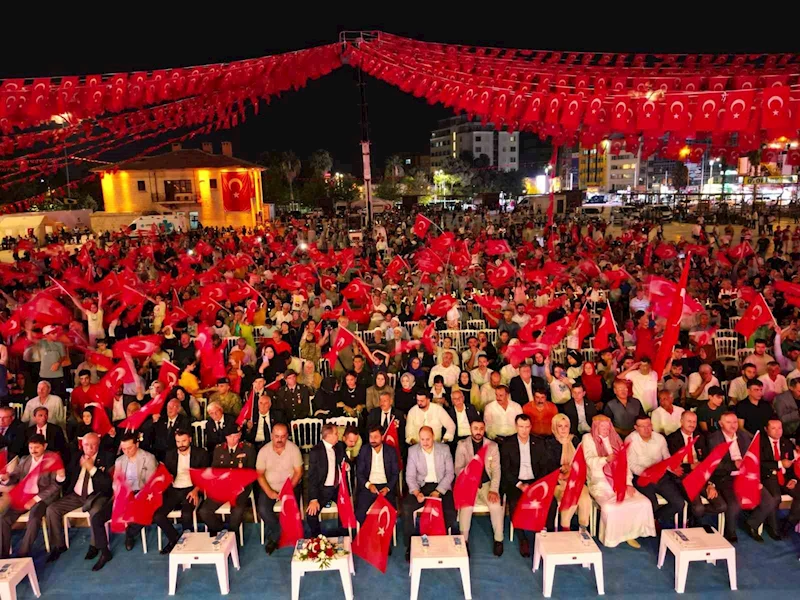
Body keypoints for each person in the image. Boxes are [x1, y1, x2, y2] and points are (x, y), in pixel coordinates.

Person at [582, 415, 656, 548]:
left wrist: (628, 483)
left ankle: (630, 534)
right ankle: (612, 538)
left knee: (643, 502)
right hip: (600, 482)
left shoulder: (615, 439)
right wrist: (605, 459)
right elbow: (589, 461)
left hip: (620, 481)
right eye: (602, 426)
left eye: (607, 426)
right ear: (596, 427)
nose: (605, 429)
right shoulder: (588, 438)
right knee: (610, 507)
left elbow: (625, 464)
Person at [45, 432, 116, 568]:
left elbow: (107, 484)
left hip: (96, 495)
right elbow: (66, 478)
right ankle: (58, 545)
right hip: (76, 495)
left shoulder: (107, 457)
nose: (90, 448)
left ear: (98, 445)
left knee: (95, 512)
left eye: (93, 445)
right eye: (86, 445)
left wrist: (91, 468)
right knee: (52, 509)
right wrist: (60, 476)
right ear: (81, 445)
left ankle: (95, 546)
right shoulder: (76, 457)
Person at [707, 412, 780, 542]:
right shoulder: (713, 439)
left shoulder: (744, 436)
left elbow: (753, 457)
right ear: (721, 424)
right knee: (734, 505)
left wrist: (755, 477)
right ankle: (730, 532)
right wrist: (733, 464)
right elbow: (714, 464)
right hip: (726, 477)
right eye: (728, 422)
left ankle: (751, 524)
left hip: (747, 476)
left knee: (769, 501)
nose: (733, 425)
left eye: (735, 422)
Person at [0, 434, 66, 559]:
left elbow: (55, 486)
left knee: (34, 519)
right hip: (24, 495)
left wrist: (35, 499)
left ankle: (23, 553)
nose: (33, 451)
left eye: (37, 447)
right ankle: (2, 556)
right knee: (4, 519)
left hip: (42, 497)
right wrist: (6, 479)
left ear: (44, 446)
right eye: (31, 448)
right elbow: (14, 476)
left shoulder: (52, 459)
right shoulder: (25, 460)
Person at [500, 414, 551, 557]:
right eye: (521, 427)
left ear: (531, 427)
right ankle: (522, 538)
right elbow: (505, 469)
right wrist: (520, 485)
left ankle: (544, 534)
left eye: (527, 427)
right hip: (516, 483)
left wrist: (536, 485)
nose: (524, 430)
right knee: (516, 503)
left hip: (535, 482)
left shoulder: (539, 442)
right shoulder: (507, 444)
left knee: (550, 502)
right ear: (516, 427)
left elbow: (544, 467)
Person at [403, 426, 456, 560]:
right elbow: (409, 476)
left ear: (433, 437)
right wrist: (416, 493)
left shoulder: (444, 449)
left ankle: (443, 541)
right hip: (422, 486)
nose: (425, 442)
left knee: (449, 510)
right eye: (422, 439)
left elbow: (450, 474)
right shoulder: (412, 451)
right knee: (407, 507)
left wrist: (438, 491)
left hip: (440, 485)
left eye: (428, 439)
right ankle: (410, 545)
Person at [153, 429, 210, 554]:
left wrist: (196, 490)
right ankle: (175, 539)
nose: (181, 444)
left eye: (184, 441)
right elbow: (165, 474)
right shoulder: (170, 454)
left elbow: (206, 475)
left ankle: (188, 544)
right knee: (158, 515)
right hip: (174, 489)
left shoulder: (201, 453)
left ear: (190, 439)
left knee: (186, 514)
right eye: (178, 442)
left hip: (192, 488)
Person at [666, 411, 726, 526]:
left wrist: (710, 484)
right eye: (689, 421)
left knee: (721, 506)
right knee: (698, 507)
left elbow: (708, 462)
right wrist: (690, 466)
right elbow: (672, 465)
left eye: (694, 422)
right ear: (681, 421)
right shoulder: (672, 439)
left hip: (701, 475)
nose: (692, 424)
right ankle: (695, 519)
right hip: (683, 476)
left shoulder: (701, 438)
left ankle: (691, 514)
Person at [454, 419, 503, 556]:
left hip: (487, 484)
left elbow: (496, 471)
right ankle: (464, 541)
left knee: (495, 506)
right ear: (470, 429)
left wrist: (494, 489)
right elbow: (457, 468)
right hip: (469, 484)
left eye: (481, 429)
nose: (478, 432)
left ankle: (498, 540)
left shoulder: (492, 446)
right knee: (466, 507)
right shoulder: (462, 445)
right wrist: (468, 473)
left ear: (484, 429)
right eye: (475, 428)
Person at [627, 416, 685, 529]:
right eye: (642, 426)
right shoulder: (630, 440)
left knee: (679, 503)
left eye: (648, 425)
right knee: (651, 504)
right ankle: (649, 524)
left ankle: (655, 519)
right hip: (641, 477)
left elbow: (666, 457)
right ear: (636, 428)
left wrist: (672, 468)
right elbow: (631, 465)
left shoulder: (659, 438)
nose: (646, 429)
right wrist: (647, 473)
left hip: (660, 476)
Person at [198, 427, 256, 538]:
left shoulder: (248, 449)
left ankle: (233, 538)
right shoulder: (219, 449)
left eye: (235, 436)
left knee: (237, 511)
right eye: (230, 436)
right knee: (204, 511)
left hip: (241, 487)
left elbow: (250, 472)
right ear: (225, 437)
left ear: (239, 435)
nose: (233, 439)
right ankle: (223, 534)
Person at [256, 422, 303, 555]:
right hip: (270, 487)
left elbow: (298, 472)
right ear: (271, 435)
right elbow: (259, 474)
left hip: (290, 487)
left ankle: (278, 537)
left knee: (291, 509)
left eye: (283, 436)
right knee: (263, 509)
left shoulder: (294, 449)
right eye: (276, 436)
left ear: (287, 436)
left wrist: (287, 490)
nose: (279, 440)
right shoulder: (263, 451)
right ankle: (279, 531)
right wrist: (269, 492)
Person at [114, 431, 158, 553]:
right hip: (125, 493)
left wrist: (138, 496)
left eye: (129, 448)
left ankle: (130, 533)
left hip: (143, 491)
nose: (126, 452)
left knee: (141, 508)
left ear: (137, 444)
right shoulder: (119, 461)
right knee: (102, 513)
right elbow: (116, 482)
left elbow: (151, 484)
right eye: (123, 449)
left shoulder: (148, 458)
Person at [546, 414, 591, 531]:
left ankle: (583, 528)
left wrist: (571, 469)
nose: (563, 429)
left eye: (566, 426)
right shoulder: (549, 443)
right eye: (560, 426)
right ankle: (565, 527)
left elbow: (582, 461)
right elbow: (547, 466)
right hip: (557, 481)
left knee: (585, 498)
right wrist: (561, 472)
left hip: (576, 478)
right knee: (570, 497)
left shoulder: (575, 440)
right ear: (554, 427)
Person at [760, 418, 800, 538]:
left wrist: (794, 479)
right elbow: (760, 464)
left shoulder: (786, 443)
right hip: (768, 476)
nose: (778, 431)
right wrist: (779, 464)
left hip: (785, 478)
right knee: (775, 498)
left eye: (780, 428)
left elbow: (792, 465)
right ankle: (773, 527)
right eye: (774, 428)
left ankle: (789, 523)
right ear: (766, 429)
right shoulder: (760, 443)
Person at [306, 423, 347, 537]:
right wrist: (313, 499)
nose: (338, 435)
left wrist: (346, 463)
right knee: (311, 515)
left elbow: (344, 458)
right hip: (323, 489)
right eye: (335, 433)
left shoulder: (339, 446)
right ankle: (319, 538)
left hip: (338, 488)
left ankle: (342, 535)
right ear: (328, 436)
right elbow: (312, 476)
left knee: (345, 509)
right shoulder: (316, 451)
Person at [355, 425, 399, 523]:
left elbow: (395, 473)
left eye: (376, 437)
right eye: (371, 437)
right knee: (360, 513)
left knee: (389, 513)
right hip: (369, 486)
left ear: (382, 437)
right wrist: (369, 485)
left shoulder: (390, 451)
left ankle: (388, 538)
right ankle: (366, 537)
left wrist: (387, 488)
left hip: (386, 488)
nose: (373, 440)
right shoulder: (364, 450)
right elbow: (359, 472)